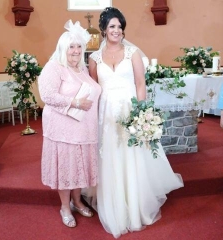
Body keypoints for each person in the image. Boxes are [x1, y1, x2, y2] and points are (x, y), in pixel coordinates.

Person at [88, 7, 184, 238]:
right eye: (112, 26)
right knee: (110, 156)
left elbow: (141, 84)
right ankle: (114, 204)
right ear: (103, 29)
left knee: (132, 155)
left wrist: (141, 114)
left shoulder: (133, 53)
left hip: (130, 111)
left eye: (120, 27)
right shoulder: (94, 59)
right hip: (107, 115)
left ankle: (136, 204)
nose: (117, 31)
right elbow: (94, 89)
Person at [38, 19, 101, 228]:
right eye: (71, 47)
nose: (75, 51)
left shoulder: (82, 69)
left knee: (78, 168)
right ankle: (65, 207)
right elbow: (47, 95)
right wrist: (74, 102)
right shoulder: (54, 67)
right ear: (62, 48)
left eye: (79, 46)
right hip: (62, 130)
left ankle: (77, 200)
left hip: (83, 130)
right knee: (66, 169)